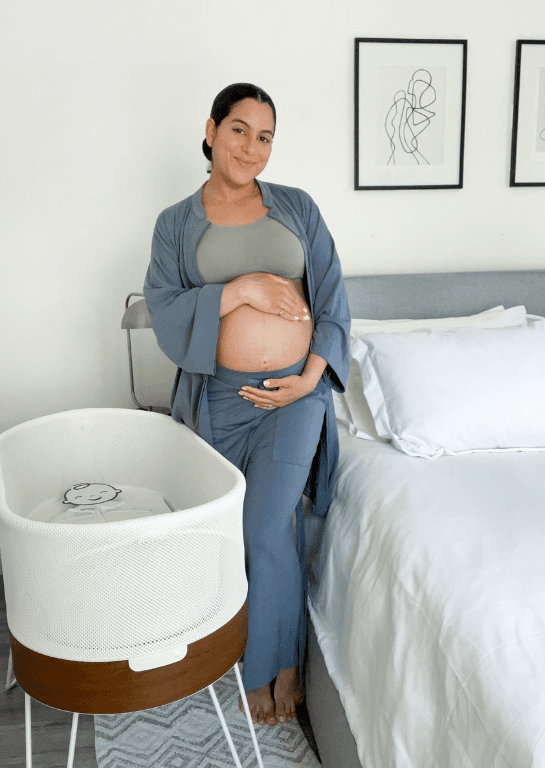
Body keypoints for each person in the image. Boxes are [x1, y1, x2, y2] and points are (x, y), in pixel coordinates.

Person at [143, 83, 350, 728]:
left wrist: (311, 376)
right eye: (239, 130)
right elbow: (164, 308)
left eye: (265, 137)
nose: (251, 147)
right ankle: (249, 647)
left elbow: (335, 295)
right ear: (210, 131)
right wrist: (239, 290)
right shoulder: (176, 223)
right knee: (229, 531)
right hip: (222, 405)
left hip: (295, 396)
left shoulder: (297, 208)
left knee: (266, 526)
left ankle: (274, 669)